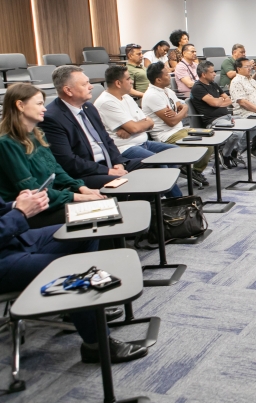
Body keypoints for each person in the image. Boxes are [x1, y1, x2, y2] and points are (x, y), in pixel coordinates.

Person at [0, 190, 148, 364]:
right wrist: (20, 212)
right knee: (74, 269)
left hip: (13, 239)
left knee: (85, 229)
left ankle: (78, 310)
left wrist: (17, 204)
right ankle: (96, 346)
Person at [0, 84, 104, 228]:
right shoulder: (7, 143)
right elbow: (32, 189)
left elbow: (55, 169)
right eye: (39, 104)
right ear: (20, 105)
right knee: (96, 212)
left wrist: (80, 187)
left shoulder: (37, 135)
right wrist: (76, 197)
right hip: (31, 213)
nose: (44, 109)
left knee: (103, 204)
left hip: (52, 200)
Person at [40, 66, 145, 189]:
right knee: (127, 183)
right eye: (85, 84)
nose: (91, 87)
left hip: (108, 165)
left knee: (153, 165)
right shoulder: (52, 118)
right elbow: (68, 161)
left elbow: (107, 140)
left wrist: (118, 163)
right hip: (86, 173)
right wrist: (107, 171)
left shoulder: (89, 108)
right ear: (68, 90)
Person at [94, 66, 182, 197]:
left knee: (175, 152)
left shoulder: (126, 97)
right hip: (126, 147)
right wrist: (136, 127)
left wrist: (135, 127)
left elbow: (149, 122)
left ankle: (161, 193)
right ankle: (176, 200)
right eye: (128, 79)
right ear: (118, 83)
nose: (131, 81)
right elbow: (135, 127)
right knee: (159, 163)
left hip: (143, 141)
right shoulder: (106, 102)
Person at [141, 62, 211, 186]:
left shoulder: (167, 91)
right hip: (167, 136)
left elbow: (183, 106)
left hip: (180, 130)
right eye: (166, 75)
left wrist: (181, 111)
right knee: (204, 144)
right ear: (158, 79)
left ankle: (194, 171)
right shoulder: (152, 96)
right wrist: (182, 112)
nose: (170, 76)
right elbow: (172, 122)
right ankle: (190, 170)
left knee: (210, 136)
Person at [190, 61, 246, 168]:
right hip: (214, 121)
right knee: (237, 133)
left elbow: (229, 100)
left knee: (254, 125)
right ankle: (225, 155)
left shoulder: (214, 84)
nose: (215, 74)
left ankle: (233, 150)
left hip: (228, 117)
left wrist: (218, 101)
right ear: (204, 74)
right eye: (212, 72)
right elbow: (215, 103)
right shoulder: (198, 88)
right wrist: (219, 100)